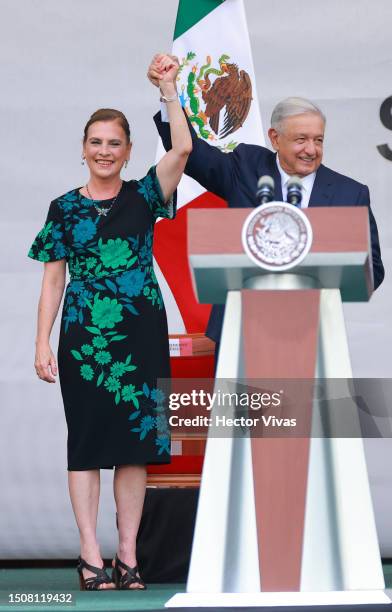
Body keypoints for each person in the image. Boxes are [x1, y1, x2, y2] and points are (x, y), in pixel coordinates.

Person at [28, 56, 192, 590]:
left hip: (140, 334)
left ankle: (128, 557)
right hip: (83, 342)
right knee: (88, 444)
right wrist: (41, 343)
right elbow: (54, 280)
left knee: (135, 445)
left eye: (114, 143)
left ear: (127, 150)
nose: (104, 151)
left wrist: (169, 90)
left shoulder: (146, 195)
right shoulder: (62, 209)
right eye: (95, 142)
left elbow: (184, 149)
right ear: (83, 148)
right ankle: (90, 556)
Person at [148, 53, 385, 349]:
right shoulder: (247, 166)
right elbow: (189, 152)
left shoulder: (350, 193)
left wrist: (322, 275)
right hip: (240, 332)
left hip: (309, 335)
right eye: (301, 139)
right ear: (274, 138)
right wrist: (169, 92)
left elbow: (372, 269)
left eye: (318, 140)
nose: (311, 150)